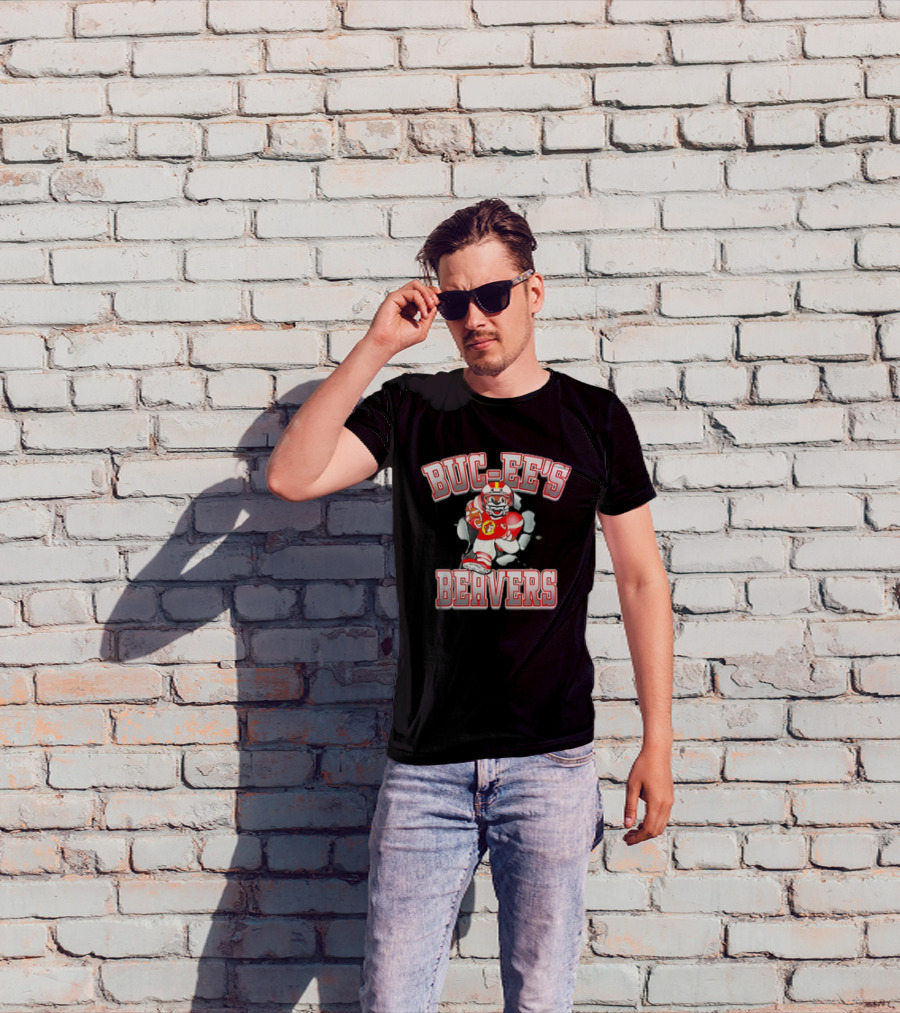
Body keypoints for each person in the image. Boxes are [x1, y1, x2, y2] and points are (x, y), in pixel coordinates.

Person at [266, 198, 674, 1013]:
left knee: (539, 999)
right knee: (393, 999)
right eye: (455, 302)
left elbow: (640, 578)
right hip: (426, 770)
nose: (474, 318)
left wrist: (657, 740)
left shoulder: (594, 418)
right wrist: (379, 345)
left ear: (535, 291)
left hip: (552, 763)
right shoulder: (413, 408)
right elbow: (291, 476)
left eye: (492, 295)